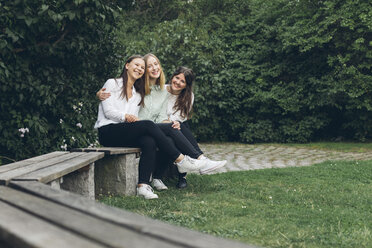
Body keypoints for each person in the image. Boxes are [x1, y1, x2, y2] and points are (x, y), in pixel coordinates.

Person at [97, 54, 226, 190]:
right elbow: (117, 90)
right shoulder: (138, 87)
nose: (154, 68)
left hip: (142, 129)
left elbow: (161, 114)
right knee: (156, 126)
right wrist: (99, 93)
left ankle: (145, 185)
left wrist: (168, 122)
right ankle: (191, 160)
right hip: (127, 127)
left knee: (161, 136)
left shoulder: (163, 91)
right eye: (148, 66)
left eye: (156, 64)